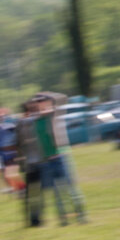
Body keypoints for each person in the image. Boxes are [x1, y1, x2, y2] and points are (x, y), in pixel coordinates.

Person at [32, 92, 87, 225]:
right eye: (38, 102)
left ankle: (81, 216)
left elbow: (62, 98)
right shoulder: (35, 120)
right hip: (47, 160)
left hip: (61, 157)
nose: (40, 103)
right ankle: (63, 219)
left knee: (71, 189)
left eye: (42, 101)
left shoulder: (55, 115)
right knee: (57, 193)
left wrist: (45, 95)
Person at [13, 98, 47, 227]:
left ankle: (37, 219)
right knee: (31, 193)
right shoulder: (21, 124)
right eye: (32, 109)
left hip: (39, 162)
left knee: (37, 192)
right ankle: (31, 219)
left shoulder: (36, 121)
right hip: (29, 163)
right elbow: (17, 143)